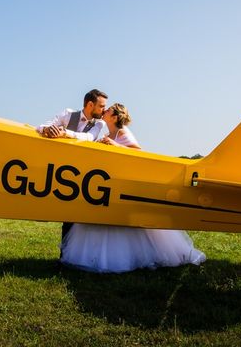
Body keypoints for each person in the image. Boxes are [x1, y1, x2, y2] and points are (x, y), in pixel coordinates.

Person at [60, 103, 206, 273]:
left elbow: (138, 152)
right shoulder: (108, 133)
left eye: (108, 110)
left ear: (114, 117)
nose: (104, 111)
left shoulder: (122, 132)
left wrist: (114, 146)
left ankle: (123, 258)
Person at [37, 89, 109, 259]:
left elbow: (88, 138)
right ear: (90, 104)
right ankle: (67, 256)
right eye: (101, 106)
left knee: (74, 218)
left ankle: (71, 257)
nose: (104, 110)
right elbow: (41, 125)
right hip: (59, 170)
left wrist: (65, 133)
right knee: (65, 215)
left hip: (82, 174)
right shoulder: (68, 114)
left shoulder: (99, 124)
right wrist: (48, 129)